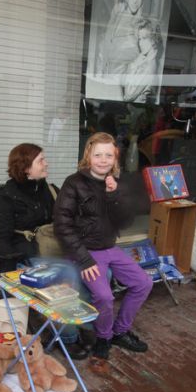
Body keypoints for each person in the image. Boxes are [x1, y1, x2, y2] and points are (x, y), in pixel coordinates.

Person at [53, 132, 153, 360]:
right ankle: (104, 337)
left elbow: (125, 222)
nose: (103, 160)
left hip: (110, 248)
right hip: (85, 251)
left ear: (115, 158)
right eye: (98, 154)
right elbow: (62, 225)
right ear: (88, 155)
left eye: (108, 155)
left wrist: (113, 195)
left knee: (143, 283)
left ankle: (120, 332)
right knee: (105, 297)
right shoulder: (73, 183)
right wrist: (84, 259)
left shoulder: (116, 183)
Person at [0, 143, 90, 360]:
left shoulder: (49, 189)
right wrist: (22, 261)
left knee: (93, 270)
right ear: (26, 167)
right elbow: (1, 239)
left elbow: (68, 220)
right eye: (41, 160)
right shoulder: (5, 196)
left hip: (54, 250)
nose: (47, 164)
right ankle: (68, 338)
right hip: (26, 257)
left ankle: (82, 326)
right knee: (68, 274)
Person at [119, 19, 163, 103]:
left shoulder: (149, 67)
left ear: (153, 40)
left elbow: (128, 96)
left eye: (144, 38)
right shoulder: (144, 61)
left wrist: (131, 66)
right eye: (139, 39)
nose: (140, 43)